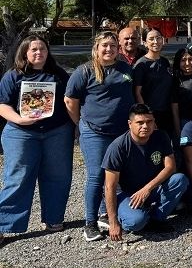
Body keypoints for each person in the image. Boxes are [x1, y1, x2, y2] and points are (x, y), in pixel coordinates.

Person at [0, 36, 72, 242]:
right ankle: (3, 224)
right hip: (20, 133)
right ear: (24, 53)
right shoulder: (13, 76)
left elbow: (70, 100)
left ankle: (53, 218)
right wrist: (19, 120)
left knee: (58, 176)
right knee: (18, 178)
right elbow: (2, 104)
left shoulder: (58, 74)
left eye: (42, 49)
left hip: (57, 132)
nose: (38, 53)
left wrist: (76, 124)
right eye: (33, 50)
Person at [65, 31, 135, 242]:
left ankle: (107, 213)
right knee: (96, 176)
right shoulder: (84, 71)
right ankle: (90, 223)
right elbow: (70, 101)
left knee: (116, 175)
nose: (108, 49)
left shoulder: (125, 68)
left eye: (113, 46)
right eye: (104, 45)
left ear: (118, 48)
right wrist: (80, 124)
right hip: (94, 132)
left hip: (120, 132)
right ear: (96, 48)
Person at [101, 104, 189, 240]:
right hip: (125, 194)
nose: (145, 126)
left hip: (150, 189)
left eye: (149, 121)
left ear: (154, 122)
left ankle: (157, 219)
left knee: (180, 180)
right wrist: (113, 223)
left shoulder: (161, 136)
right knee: (135, 222)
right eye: (140, 122)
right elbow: (109, 186)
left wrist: (147, 188)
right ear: (130, 124)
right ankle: (120, 214)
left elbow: (170, 167)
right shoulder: (118, 147)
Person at [133, 29, 176, 137]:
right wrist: (147, 116)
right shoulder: (141, 65)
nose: (155, 41)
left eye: (158, 38)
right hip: (151, 114)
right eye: (151, 39)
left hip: (167, 113)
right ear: (145, 42)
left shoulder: (165, 62)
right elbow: (137, 93)